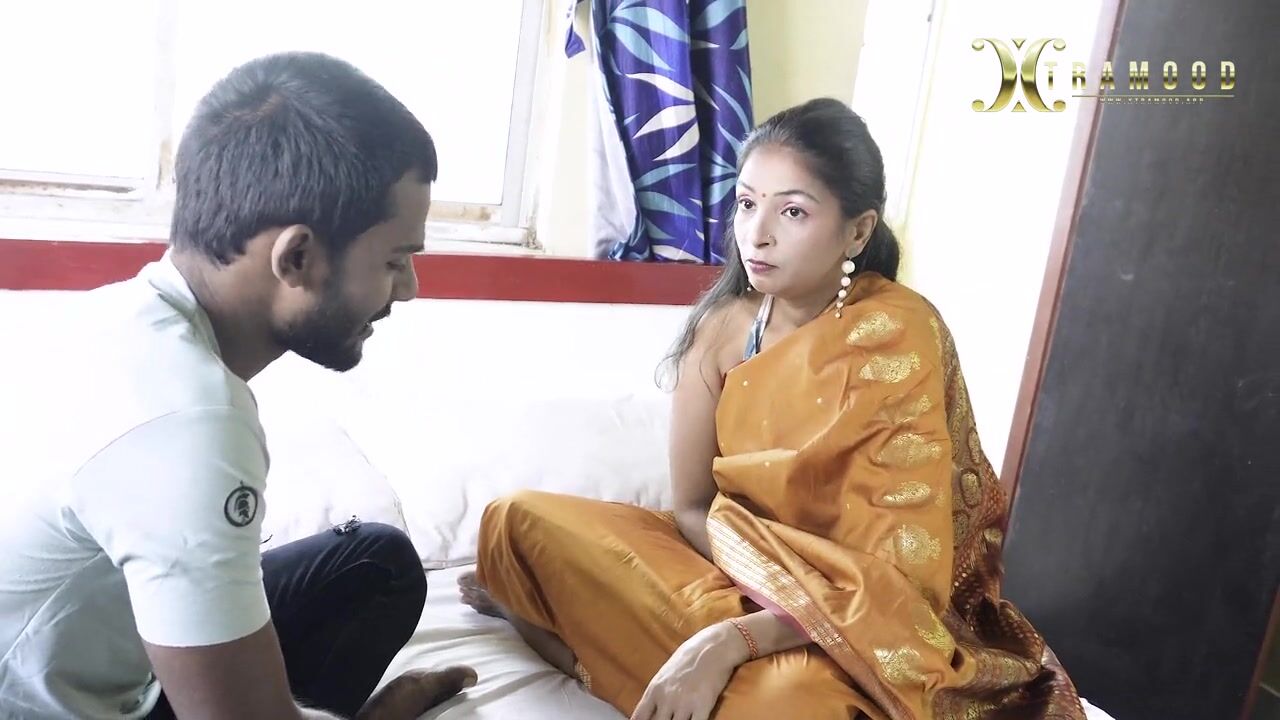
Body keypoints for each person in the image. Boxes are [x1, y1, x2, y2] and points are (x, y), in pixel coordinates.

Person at [460, 98, 1085, 720]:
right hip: (729, 567)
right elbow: (691, 507)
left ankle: (578, 641)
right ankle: (609, 642)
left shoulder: (896, 334)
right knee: (514, 522)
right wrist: (743, 597)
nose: (757, 233)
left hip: (856, 622)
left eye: (792, 211)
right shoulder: (720, 329)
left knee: (793, 705)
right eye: (746, 203)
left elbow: (902, 575)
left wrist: (731, 641)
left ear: (858, 231)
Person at [0, 52, 474, 719]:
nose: (410, 289)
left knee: (377, 565)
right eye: (395, 261)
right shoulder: (189, 423)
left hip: (110, 648)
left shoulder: (117, 315)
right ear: (297, 256)